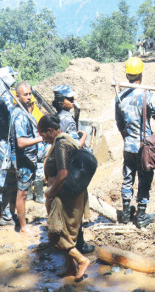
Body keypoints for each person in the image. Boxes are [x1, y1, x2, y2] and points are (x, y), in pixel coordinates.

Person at [115, 57, 155, 228]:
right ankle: (141, 216)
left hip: (128, 145)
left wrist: (126, 138)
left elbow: (119, 122)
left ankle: (126, 213)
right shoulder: (147, 95)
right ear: (140, 72)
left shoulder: (119, 96)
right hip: (144, 148)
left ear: (127, 74)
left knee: (128, 178)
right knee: (144, 180)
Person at [38, 115, 90, 280]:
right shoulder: (65, 140)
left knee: (57, 234)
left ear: (51, 130)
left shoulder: (61, 144)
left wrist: (50, 193)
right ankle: (70, 268)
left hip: (63, 197)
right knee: (68, 233)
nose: (42, 138)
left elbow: (63, 173)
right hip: (67, 194)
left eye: (43, 134)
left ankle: (81, 260)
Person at [52, 84, 94, 254]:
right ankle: (78, 245)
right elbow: (74, 146)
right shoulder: (67, 120)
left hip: (65, 167)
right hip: (72, 169)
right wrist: (84, 135)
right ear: (62, 102)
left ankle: (72, 242)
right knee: (75, 208)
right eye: (70, 99)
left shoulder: (60, 117)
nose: (73, 101)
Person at [12, 81, 43, 237]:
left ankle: (24, 223)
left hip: (30, 158)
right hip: (23, 159)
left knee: (24, 192)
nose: (29, 97)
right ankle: (23, 227)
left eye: (30, 93)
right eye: (25, 94)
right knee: (22, 193)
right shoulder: (19, 116)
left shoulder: (26, 112)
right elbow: (21, 142)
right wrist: (40, 139)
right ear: (17, 96)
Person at [0, 68, 18, 226]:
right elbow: (12, 121)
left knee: (2, 178)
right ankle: (6, 216)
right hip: (1, 143)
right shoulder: (5, 97)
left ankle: (4, 213)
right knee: (5, 178)